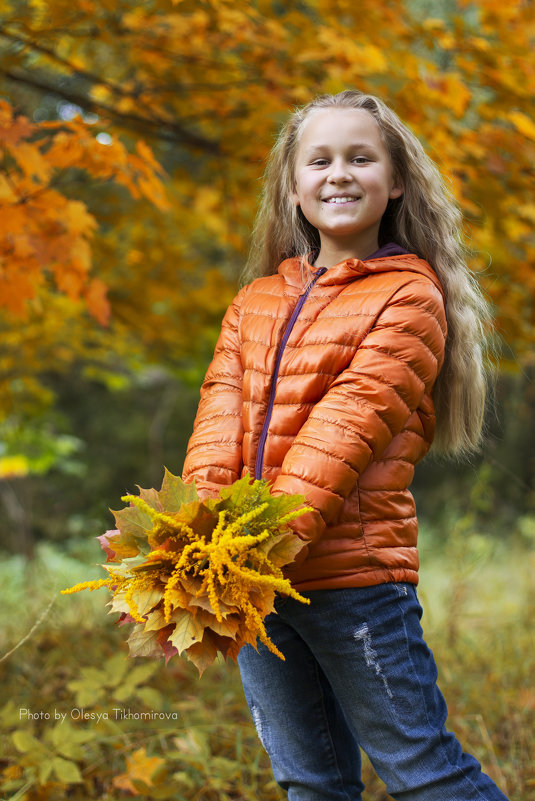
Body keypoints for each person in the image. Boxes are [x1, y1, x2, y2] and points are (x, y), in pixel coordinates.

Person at [182, 90, 508, 801]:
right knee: (308, 782)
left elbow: (346, 429)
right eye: (319, 160)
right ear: (292, 187)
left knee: (423, 773)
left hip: (350, 584)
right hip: (253, 583)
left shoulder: (407, 297)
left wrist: (250, 550)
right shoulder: (255, 300)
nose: (338, 174)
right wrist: (198, 543)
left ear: (394, 182)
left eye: (360, 158)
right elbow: (217, 418)